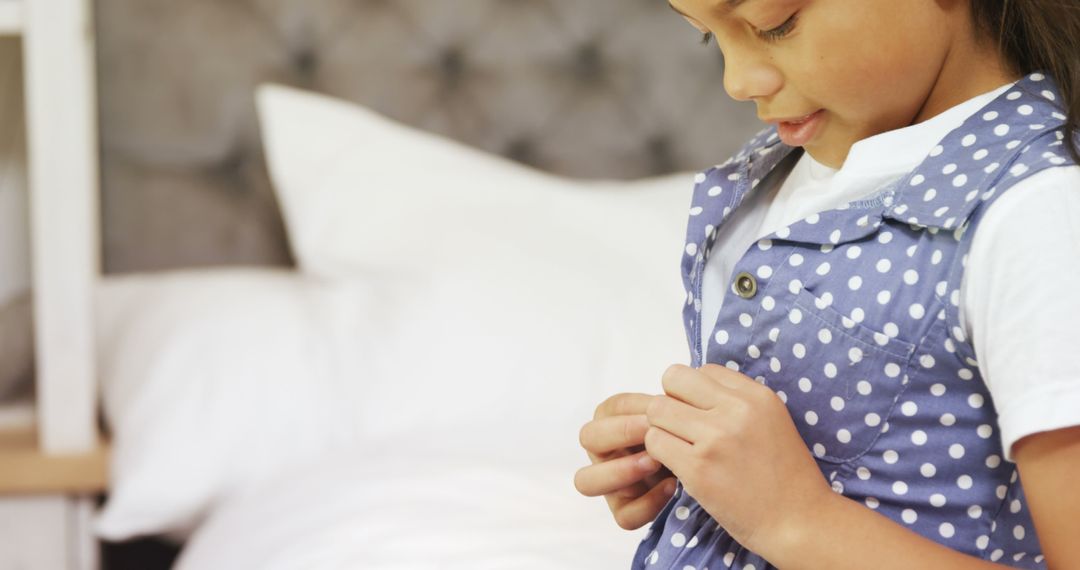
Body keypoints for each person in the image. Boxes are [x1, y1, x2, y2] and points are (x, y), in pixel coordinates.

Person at [574, 1, 1080, 568]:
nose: (737, 81)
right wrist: (694, 457)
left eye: (774, 24)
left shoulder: (1038, 213)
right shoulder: (785, 171)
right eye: (708, 39)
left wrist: (795, 518)